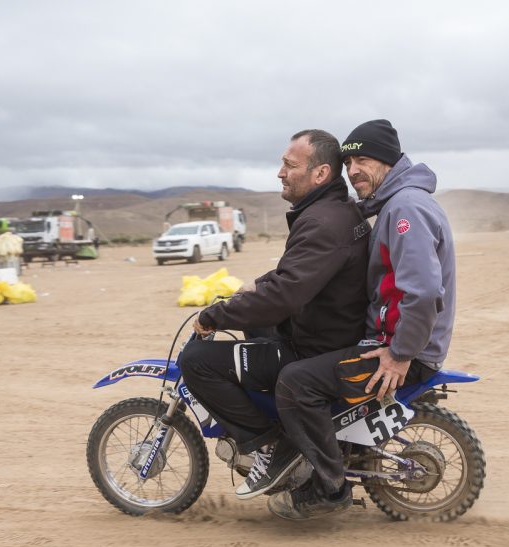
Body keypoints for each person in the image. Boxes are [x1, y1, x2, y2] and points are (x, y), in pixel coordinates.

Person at [267, 119, 457, 521]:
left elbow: (422, 291)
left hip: (403, 349)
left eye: (364, 160)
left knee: (297, 381)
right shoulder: (393, 204)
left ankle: (325, 490)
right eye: (349, 161)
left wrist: (401, 354)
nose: (353, 171)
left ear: (389, 161)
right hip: (393, 339)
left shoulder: (405, 208)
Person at [179, 129, 371, 500]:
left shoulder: (320, 223)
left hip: (315, 346)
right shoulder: (334, 211)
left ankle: (270, 447)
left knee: (198, 360)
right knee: (254, 324)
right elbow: (299, 276)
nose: (280, 173)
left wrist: (214, 316)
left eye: (289, 165)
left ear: (320, 174)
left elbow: (285, 295)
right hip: (329, 327)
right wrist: (255, 287)